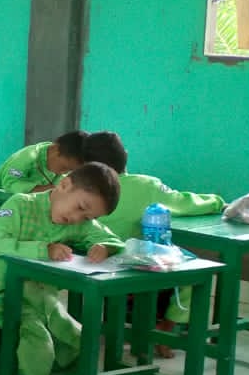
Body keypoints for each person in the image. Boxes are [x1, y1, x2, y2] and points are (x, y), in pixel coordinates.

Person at [0, 162, 123, 375]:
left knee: (82, 339)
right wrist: (44, 249)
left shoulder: (78, 222)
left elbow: (111, 239)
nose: (77, 218)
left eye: (87, 217)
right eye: (80, 207)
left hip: (44, 299)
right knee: (40, 346)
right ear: (64, 185)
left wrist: (105, 247)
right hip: (6, 296)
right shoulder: (20, 204)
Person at [84, 131, 224, 345]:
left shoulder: (80, 187)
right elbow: (183, 203)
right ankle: (170, 326)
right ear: (126, 155)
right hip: (133, 264)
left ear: (84, 165)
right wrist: (217, 202)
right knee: (192, 268)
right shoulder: (146, 186)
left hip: (89, 260)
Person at [0, 131, 88, 194]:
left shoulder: (60, 166)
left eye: (70, 170)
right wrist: (45, 190)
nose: (64, 173)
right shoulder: (27, 158)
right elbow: (9, 184)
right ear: (56, 150)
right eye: (64, 167)